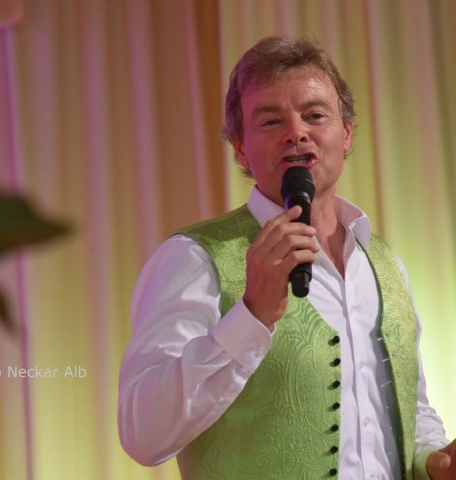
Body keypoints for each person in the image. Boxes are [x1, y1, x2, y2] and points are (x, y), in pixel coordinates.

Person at [118, 35, 455, 479]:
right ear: (240, 147)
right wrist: (250, 316)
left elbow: (411, 411)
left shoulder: (385, 264)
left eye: (315, 115)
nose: (296, 132)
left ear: (346, 133)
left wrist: (435, 462)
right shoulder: (193, 259)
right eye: (271, 121)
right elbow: (142, 433)